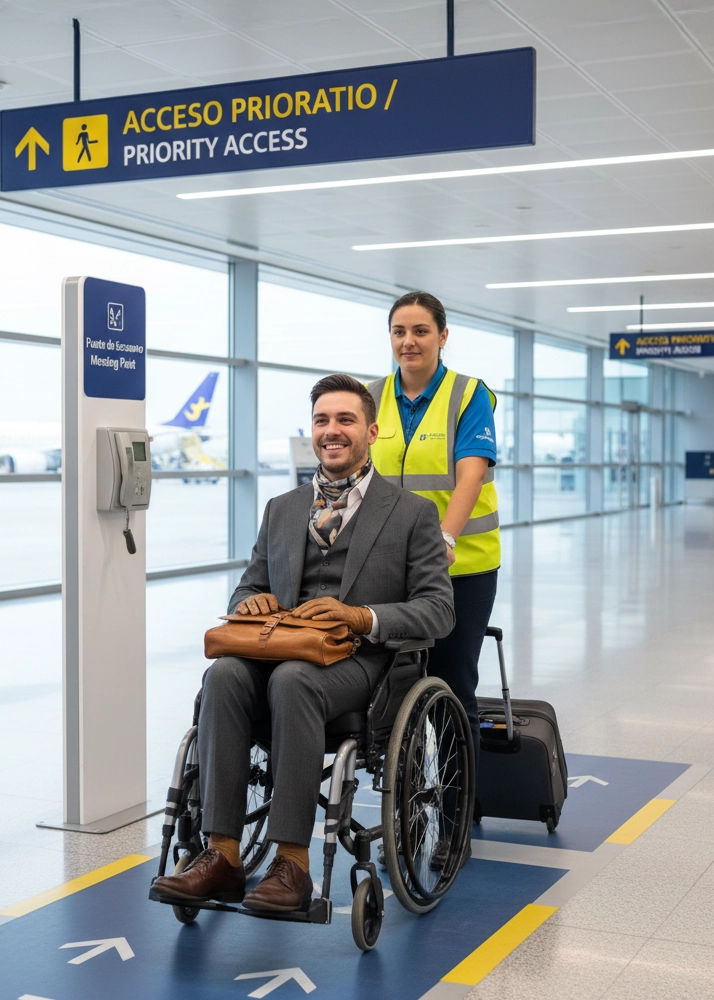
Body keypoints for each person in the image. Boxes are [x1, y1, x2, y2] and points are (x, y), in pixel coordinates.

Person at [153, 373, 454, 912]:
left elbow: (438, 609)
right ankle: (222, 855)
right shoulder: (283, 508)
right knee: (222, 674)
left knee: (294, 680)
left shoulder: (412, 514)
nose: (331, 431)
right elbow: (250, 582)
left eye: (345, 420)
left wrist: (360, 616)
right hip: (281, 648)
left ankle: (292, 863)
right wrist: (250, 602)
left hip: (364, 667)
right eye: (321, 420)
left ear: (372, 431)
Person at [367, 291, 499, 839]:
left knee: (450, 682)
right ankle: (405, 800)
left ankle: (454, 819)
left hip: (460, 566)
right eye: (400, 331)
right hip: (387, 569)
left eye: (421, 331)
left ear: (443, 336)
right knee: (388, 687)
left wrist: (444, 536)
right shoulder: (371, 395)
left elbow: (470, 472)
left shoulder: (468, 395)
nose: (409, 341)